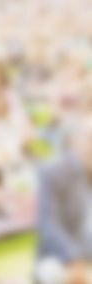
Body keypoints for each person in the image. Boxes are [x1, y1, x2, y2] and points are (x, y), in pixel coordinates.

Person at [37, 115, 92, 284]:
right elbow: (49, 224)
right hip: (64, 258)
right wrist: (74, 258)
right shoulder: (53, 172)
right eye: (89, 139)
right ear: (74, 142)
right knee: (51, 272)